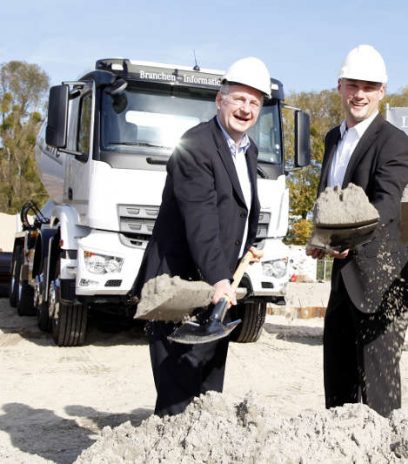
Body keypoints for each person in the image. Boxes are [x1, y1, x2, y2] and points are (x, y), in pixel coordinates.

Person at [132, 57, 269, 416]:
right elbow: (201, 220)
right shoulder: (196, 145)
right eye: (239, 99)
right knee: (178, 395)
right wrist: (220, 279)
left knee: (208, 394)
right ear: (219, 100)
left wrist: (247, 245)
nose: (246, 108)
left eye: (254, 102)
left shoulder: (247, 150)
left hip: (215, 285)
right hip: (181, 285)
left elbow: (239, 208)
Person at [306, 44, 408, 417]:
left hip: (382, 282)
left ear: (382, 92)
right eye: (352, 85)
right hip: (344, 279)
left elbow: (386, 207)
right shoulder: (333, 139)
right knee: (338, 384)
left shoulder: (394, 142)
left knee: (378, 391)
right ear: (339, 86)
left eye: (369, 87)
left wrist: (346, 240)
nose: (359, 94)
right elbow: (333, 202)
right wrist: (321, 238)